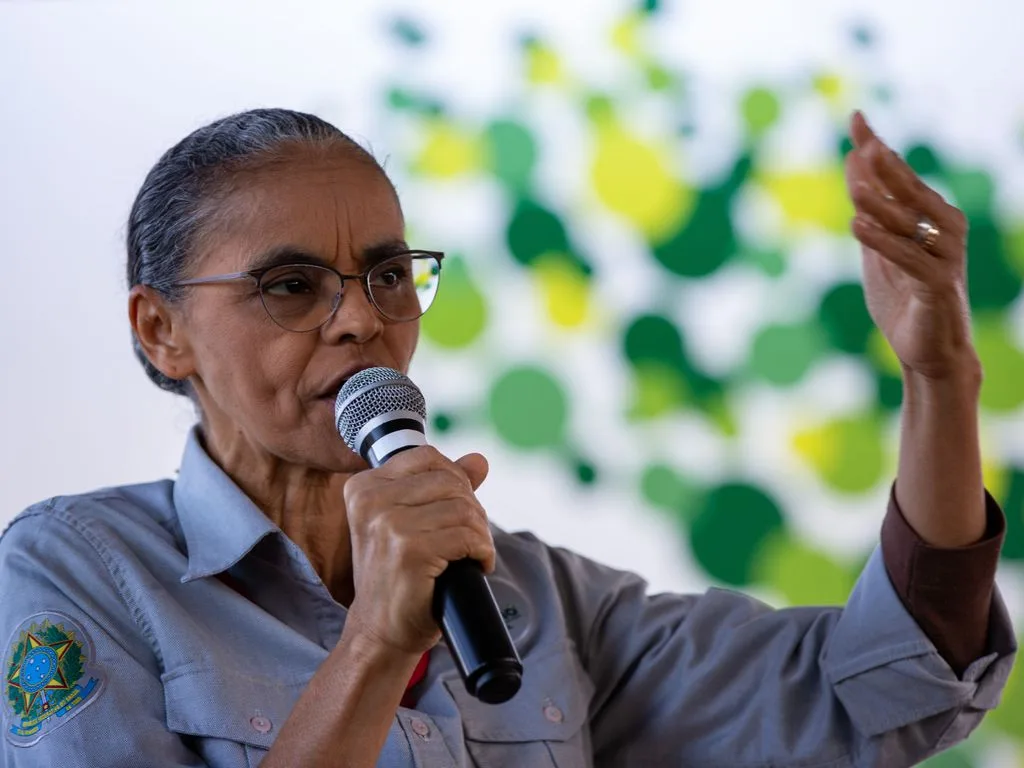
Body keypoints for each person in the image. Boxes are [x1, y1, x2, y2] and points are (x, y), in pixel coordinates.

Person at [0, 108, 1015, 768]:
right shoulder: (80, 575)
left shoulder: (541, 607)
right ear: (162, 330)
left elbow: (892, 681)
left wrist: (939, 378)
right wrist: (373, 644)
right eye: (291, 285)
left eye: (390, 275)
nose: (360, 320)